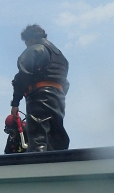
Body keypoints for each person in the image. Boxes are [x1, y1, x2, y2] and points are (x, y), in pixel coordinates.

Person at [10, 24, 70, 152]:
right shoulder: (60, 57)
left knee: (38, 136)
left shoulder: (35, 49)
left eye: (26, 42)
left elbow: (22, 77)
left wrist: (15, 103)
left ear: (30, 39)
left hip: (39, 97)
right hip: (58, 99)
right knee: (56, 136)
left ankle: (38, 165)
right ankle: (60, 165)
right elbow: (66, 83)